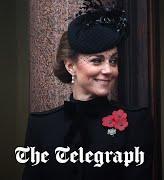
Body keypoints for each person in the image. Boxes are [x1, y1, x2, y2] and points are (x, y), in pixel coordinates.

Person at [22, 1, 153, 180]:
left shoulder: (136, 123)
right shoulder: (42, 126)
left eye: (113, 61)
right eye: (96, 60)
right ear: (70, 66)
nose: (109, 70)